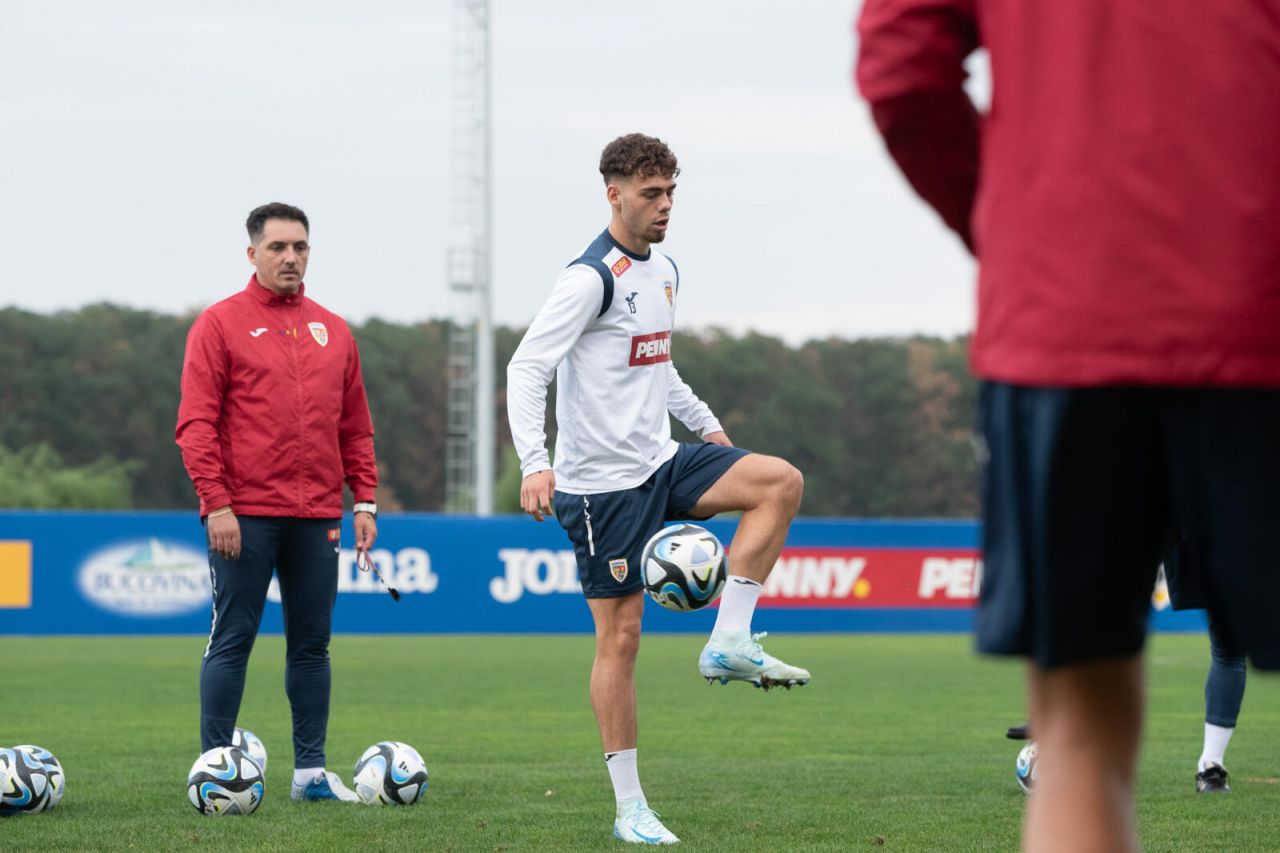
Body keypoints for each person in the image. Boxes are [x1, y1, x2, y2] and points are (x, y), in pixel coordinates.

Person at [856, 4, 1280, 851]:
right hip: (1254, 308)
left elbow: (901, 66)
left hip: (1066, 322)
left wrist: (1024, 227)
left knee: (1079, 736)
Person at [506, 133, 808, 845]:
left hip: (662, 459)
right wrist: (533, 461)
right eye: (650, 194)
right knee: (623, 639)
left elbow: (656, 363)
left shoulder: (664, 268)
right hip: (599, 490)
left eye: (671, 191)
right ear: (613, 194)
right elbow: (527, 367)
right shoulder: (588, 278)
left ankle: (729, 639)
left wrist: (706, 427)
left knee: (780, 482)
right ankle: (630, 807)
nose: (665, 205)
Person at [176, 202, 379, 803]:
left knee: (313, 646)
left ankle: (311, 775)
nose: (290, 257)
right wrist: (216, 504)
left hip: (317, 514)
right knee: (233, 638)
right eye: (278, 248)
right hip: (245, 515)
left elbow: (356, 427)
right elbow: (195, 424)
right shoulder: (219, 324)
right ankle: (215, 771)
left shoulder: (333, 329)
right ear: (253, 254)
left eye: (300, 247)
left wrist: (363, 499)